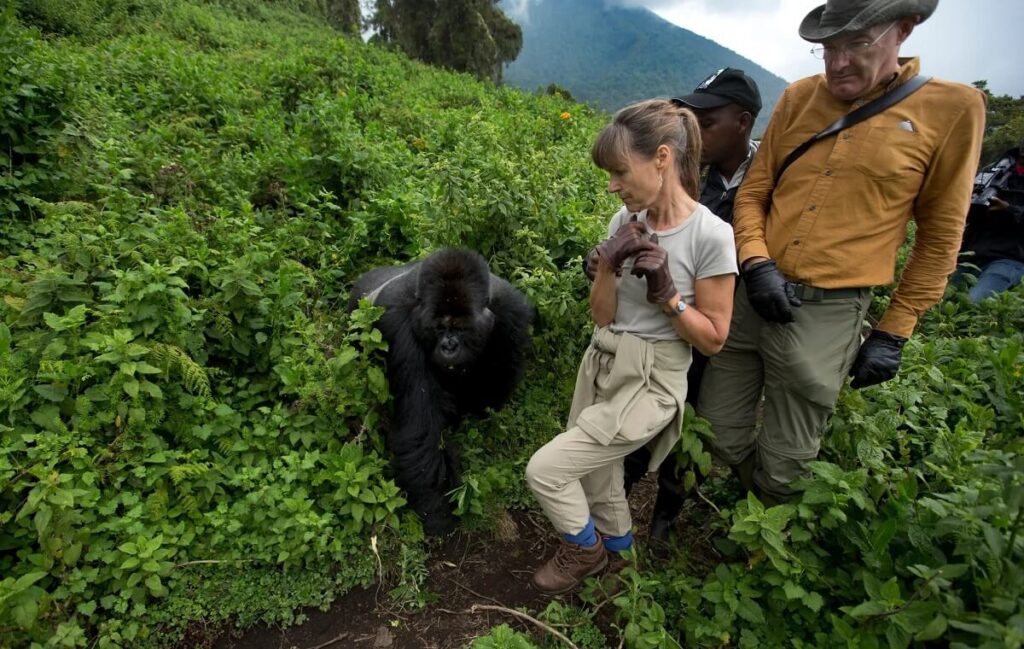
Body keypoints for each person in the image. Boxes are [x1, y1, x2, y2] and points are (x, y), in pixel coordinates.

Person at [696, 0, 986, 504]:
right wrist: (756, 260)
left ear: (904, 29)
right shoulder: (800, 97)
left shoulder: (953, 110)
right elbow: (755, 192)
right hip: (753, 291)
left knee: (788, 454)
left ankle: (764, 539)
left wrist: (895, 331)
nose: (838, 63)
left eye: (857, 44)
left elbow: (941, 235)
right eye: (828, 48)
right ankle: (749, 499)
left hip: (827, 309)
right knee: (718, 428)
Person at [526, 99, 738, 594]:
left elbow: (714, 339)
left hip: (653, 378)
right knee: (600, 477)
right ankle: (621, 566)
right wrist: (607, 264)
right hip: (604, 359)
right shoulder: (625, 219)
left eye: (620, 172)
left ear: (661, 158)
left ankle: (585, 550)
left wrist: (668, 295)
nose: (613, 185)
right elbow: (601, 314)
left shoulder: (712, 235)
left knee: (547, 470)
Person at [620, 68, 762, 542]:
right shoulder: (685, 174)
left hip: (723, 321)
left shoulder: (769, 180)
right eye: (691, 117)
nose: (693, 129)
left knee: (696, 418)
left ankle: (665, 515)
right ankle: (617, 496)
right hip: (672, 321)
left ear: (743, 122)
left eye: (708, 119)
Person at [954, 138, 1024, 301]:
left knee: (973, 302)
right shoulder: (995, 171)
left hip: (1010, 257)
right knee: (938, 300)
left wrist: (1009, 210)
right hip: (973, 251)